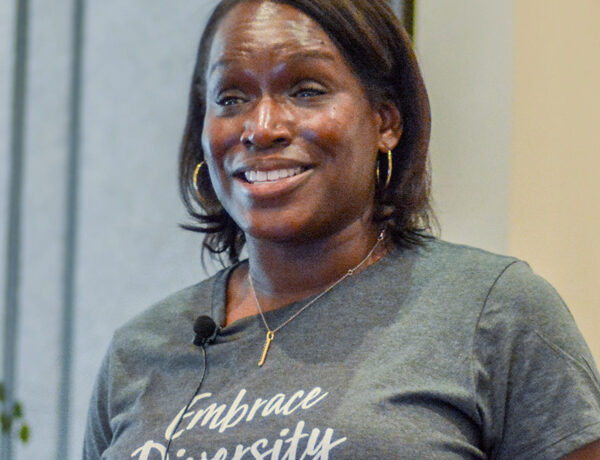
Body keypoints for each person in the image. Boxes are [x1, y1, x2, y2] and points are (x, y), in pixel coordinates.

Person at [83, 0, 600, 458]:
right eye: (231, 98)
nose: (261, 128)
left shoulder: (494, 312)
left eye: (306, 90)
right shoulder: (139, 350)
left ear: (385, 121)